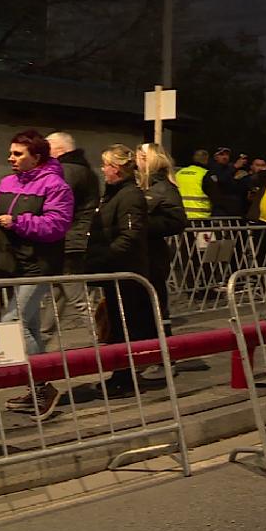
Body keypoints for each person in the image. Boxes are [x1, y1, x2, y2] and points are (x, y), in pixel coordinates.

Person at [0, 130, 73, 418]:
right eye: (11, 153)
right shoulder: (7, 182)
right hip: (13, 264)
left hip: (38, 264)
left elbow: (56, 226)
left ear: (37, 157)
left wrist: (18, 223)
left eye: (18, 154)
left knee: (13, 322)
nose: (11, 158)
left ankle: (42, 388)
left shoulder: (56, 185)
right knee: (30, 328)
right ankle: (37, 390)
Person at [86, 144, 157, 398]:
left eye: (106, 165)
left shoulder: (129, 196)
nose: (103, 169)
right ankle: (120, 375)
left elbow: (130, 235)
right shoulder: (114, 194)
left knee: (125, 327)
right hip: (116, 271)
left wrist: (105, 257)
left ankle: (124, 379)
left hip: (126, 273)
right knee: (117, 326)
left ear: (116, 168)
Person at [39, 132, 100, 344]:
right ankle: (42, 338)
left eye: (47, 149)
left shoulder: (67, 171)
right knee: (58, 294)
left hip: (69, 241)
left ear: (60, 150)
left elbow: (54, 203)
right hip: (73, 240)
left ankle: (106, 337)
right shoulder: (81, 170)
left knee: (76, 296)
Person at [136, 142, 187, 321]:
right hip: (142, 252)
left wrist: (142, 224)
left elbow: (177, 220)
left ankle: (161, 335)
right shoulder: (145, 185)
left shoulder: (164, 187)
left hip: (154, 254)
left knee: (155, 299)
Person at [176, 150, 215, 220]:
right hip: (201, 219)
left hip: (181, 218)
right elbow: (215, 197)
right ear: (206, 160)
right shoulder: (205, 174)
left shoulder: (179, 173)